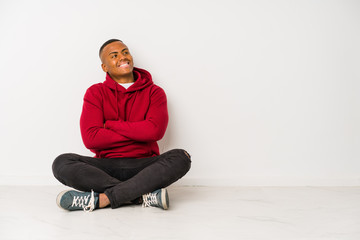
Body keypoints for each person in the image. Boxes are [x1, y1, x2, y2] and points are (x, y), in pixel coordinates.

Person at [52, 39, 191, 212]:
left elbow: (155, 131)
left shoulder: (155, 92)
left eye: (125, 52)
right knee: (62, 163)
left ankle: (103, 199)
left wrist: (110, 125)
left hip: (144, 166)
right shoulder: (95, 93)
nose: (122, 57)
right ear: (104, 67)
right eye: (114, 55)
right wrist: (139, 132)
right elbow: (91, 139)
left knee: (181, 157)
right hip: (105, 168)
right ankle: (140, 195)